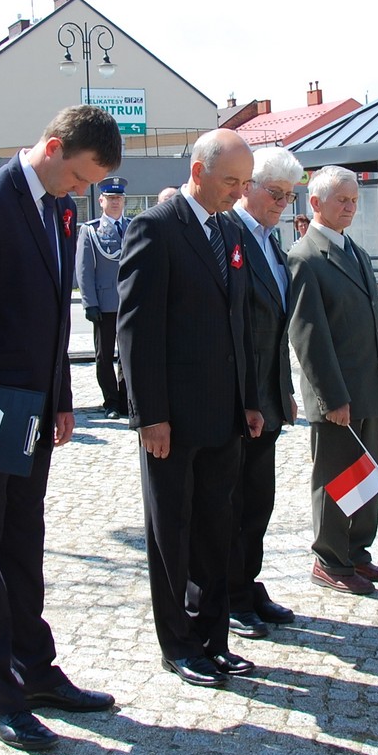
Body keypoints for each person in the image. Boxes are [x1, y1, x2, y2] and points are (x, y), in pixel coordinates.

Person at [0, 106, 121, 751]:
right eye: (78, 175)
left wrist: (61, 396)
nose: (80, 190)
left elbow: (51, 315)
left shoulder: (58, 208)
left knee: (21, 545)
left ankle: (35, 672)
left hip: (29, 412)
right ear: (53, 147)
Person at [118, 129, 264, 689]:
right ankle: (177, 644)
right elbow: (137, 331)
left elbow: (239, 320)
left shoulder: (229, 228)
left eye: (245, 182)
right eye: (232, 181)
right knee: (171, 535)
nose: (240, 192)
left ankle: (212, 638)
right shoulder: (155, 228)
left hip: (224, 415)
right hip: (172, 421)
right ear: (198, 172)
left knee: (215, 530)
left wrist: (250, 400)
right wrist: (149, 415)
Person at [286, 165, 378, 596]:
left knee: (366, 476)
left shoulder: (355, 250)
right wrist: (332, 397)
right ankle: (330, 558)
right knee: (336, 478)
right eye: (342, 200)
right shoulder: (305, 257)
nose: (351, 207)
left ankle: (356, 551)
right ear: (315, 203)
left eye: (354, 200)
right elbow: (309, 336)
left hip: (369, 387)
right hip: (338, 395)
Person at [227, 147, 301, 639]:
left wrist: (284, 389)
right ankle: (229, 594)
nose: (281, 204)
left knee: (258, 502)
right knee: (232, 504)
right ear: (248, 186)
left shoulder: (271, 242)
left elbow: (275, 331)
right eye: (275, 193)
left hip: (269, 396)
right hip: (238, 399)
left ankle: (246, 583)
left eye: (289, 196)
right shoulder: (228, 233)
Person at [76, 176, 130, 418]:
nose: (115, 202)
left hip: (129, 303)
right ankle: (111, 402)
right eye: (111, 198)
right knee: (104, 355)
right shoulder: (91, 230)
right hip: (105, 304)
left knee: (128, 355)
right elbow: (84, 270)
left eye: (119, 198)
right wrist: (90, 303)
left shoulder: (133, 227)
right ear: (101, 201)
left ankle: (126, 398)